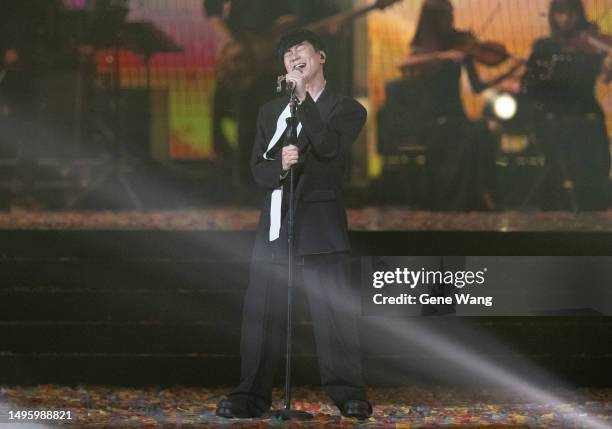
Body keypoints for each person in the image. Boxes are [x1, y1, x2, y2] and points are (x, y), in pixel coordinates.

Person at [215, 29, 371, 420]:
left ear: (321, 56)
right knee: (261, 313)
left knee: (332, 313)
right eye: (286, 54)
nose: (293, 58)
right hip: (275, 225)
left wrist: (303, 100)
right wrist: (277, 166)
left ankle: (348, 393)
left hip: (320, 224)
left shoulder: (346, 108)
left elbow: (330, 148)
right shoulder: (271, 111)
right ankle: (249, 395)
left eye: (300, 50)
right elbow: (257, 168)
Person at [388, 0, 522, 210]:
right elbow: (402, 64)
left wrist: (507, 73)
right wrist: (443, 55)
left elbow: (477, 86)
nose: (450, 21)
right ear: (432, 19)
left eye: (451, 15)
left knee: (483, 130)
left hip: (455, 115)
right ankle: (470, 197)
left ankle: (483, 194)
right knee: (472, 132)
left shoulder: (460, 46)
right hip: (429, 117)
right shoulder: (422, 48)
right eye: (445, 16)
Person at [521, 0, 611, 211]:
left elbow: (606, 79)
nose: (566, 19)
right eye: (560, 13)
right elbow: (530, 85)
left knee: (590, 128)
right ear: (553, 17)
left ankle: (593, 195)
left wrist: (607, 64)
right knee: (567, 133)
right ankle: (558, 196)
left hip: (586, 109)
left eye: (571, 13)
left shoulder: (592, 44)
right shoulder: (544, 46)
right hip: (552, 114)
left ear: (579, 15)